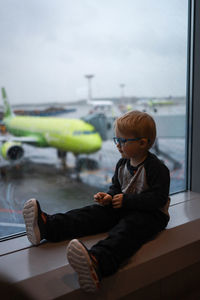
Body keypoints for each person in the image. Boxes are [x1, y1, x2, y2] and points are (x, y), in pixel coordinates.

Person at [23, 110, 170, 293]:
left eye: (122, 141)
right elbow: (117, 188)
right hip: (125, 205)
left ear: (142, 143)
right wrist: (109, 197)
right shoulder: (122, 164)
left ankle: (99, 262)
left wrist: (126, 200)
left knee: (128, 230)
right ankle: (48, 226)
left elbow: (158, 199)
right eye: (116, 140)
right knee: (92, 213)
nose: (117, 145)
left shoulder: (156, 168)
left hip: (152, 215)